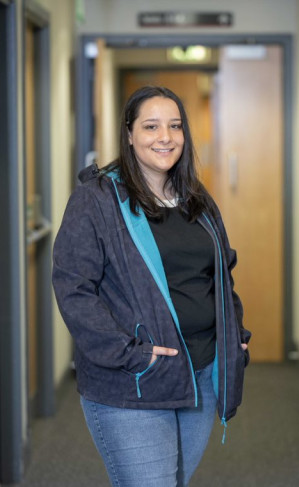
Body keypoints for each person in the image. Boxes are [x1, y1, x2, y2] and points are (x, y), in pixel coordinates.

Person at [52, 85, 251, 487]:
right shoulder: (97, 200)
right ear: (129, 133)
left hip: (200, 373)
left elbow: (221, 275)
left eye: (175, 126)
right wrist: (130, 354)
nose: (165, 137)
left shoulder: (197, 198)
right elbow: (74, 288)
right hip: (136, 381)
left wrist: (235, 337)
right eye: (151, 126)